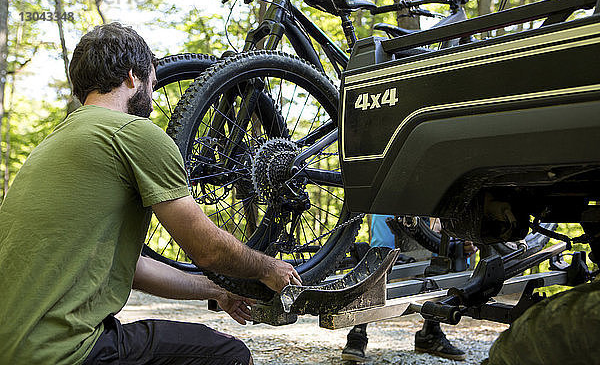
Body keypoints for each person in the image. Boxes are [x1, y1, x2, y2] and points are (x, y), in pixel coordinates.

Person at [0, 22, 302, 365]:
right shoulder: (134, 133)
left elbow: (135, 267)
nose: (153, 99)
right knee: (229, 355)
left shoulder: (55, 143)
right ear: (133, 77)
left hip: (14, 350)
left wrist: (219, 289)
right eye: (152, 85)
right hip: (66, 354)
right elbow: (208, 250)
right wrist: (267, 268)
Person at [342, 214, 473, 362]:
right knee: (380, 252)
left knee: (452, 250)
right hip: (392, 199)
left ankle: (430, 332)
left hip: (435, 204)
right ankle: (358, 332)